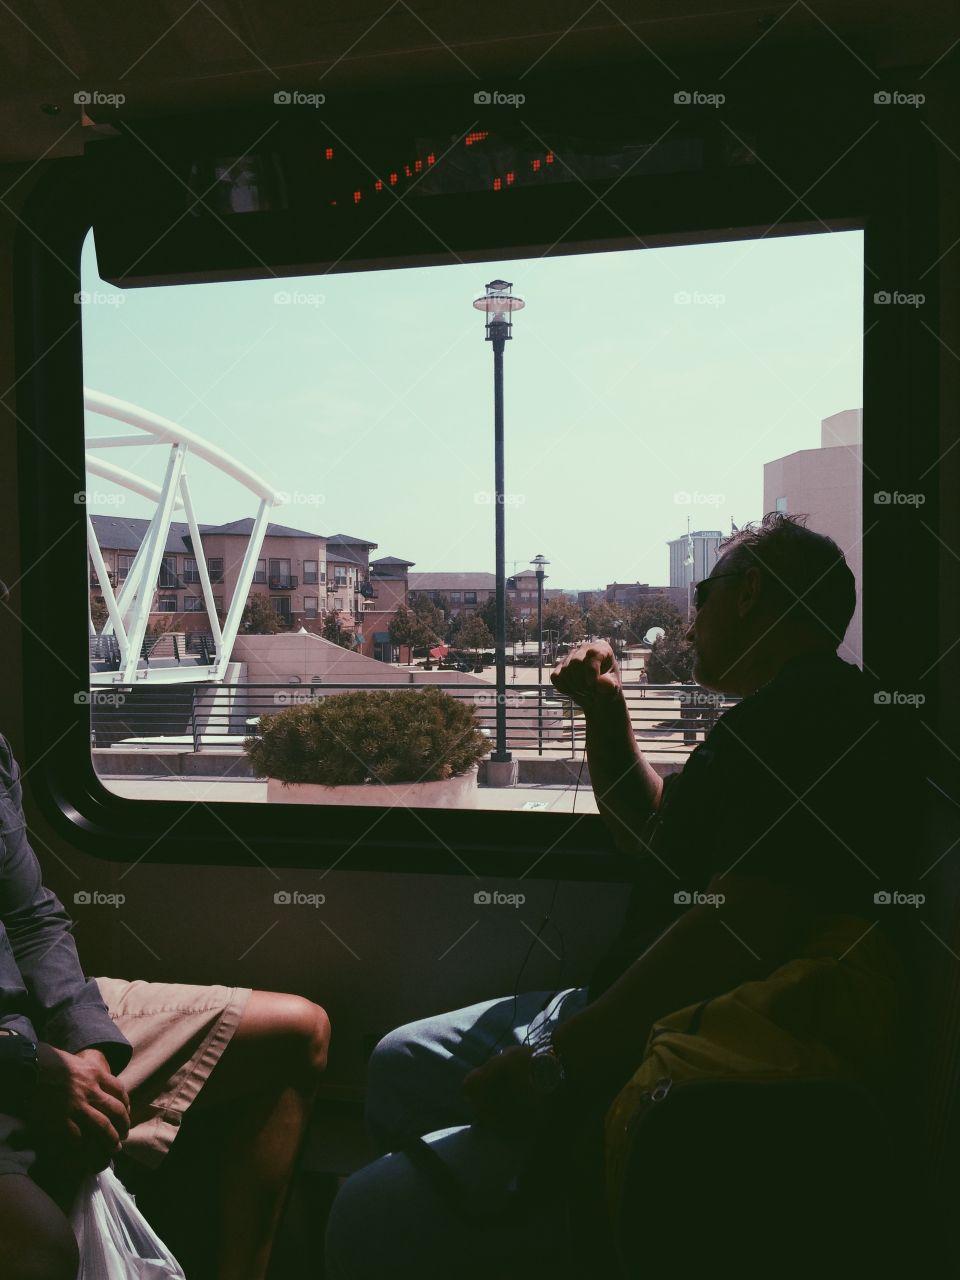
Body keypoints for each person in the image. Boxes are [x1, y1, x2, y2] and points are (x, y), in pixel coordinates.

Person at [325, 513, 926, 1278]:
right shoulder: (776, 717)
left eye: (703, 593)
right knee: (402, 1060)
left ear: (748, 595)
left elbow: (737, 931)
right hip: (632, 1010)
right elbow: (648, 831)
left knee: (364, 1211)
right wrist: (606, 707)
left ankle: (546, 1214)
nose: (690, 614)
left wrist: (556, 1063)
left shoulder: (809, 717)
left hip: (673, 1042)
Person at [0, 572, 331, 1280]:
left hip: (26, 1028)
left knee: (296, 1032)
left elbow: (30, 918)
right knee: (37, 1249)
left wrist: (85, 1042)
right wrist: (24, 1074)